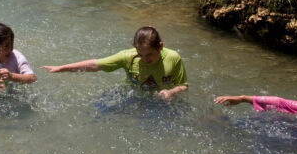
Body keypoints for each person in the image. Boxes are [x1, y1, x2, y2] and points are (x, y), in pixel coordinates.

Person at [41, 26, 188, 99]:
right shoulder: (128, 57)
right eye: (140, 54)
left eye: (149, 54)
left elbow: (183, 86)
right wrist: (61, 68)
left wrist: (171, 92)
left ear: (160, 46)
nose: (145, 59)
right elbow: (95, 65)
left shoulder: (173, 58)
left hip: (161, 100)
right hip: (131, 94)